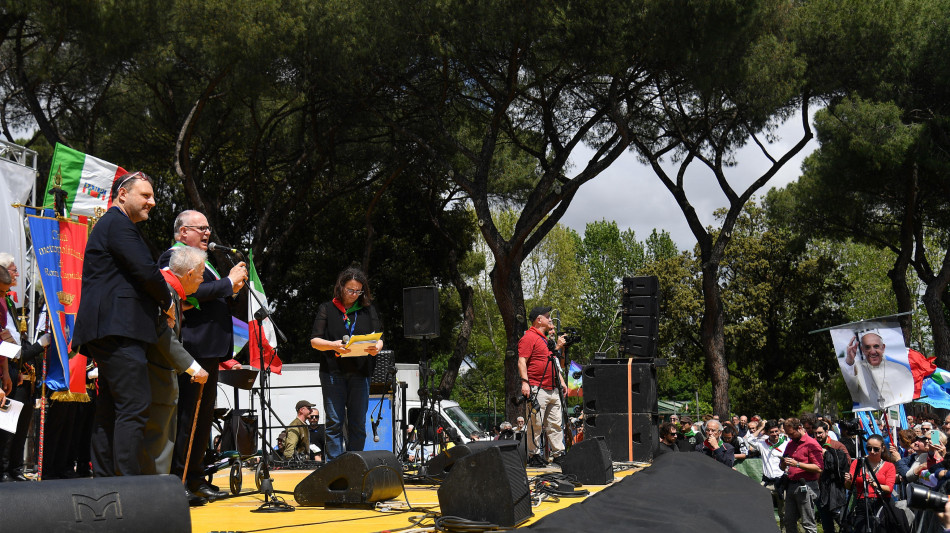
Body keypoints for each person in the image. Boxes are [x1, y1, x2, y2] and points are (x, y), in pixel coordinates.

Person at [72, 172, 175, 477]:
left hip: (111, 330)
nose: (152, 203)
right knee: (134, 406)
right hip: (119, 329)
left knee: (110, 410)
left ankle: (107, 483)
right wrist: (167, 301)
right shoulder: (119, 224)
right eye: (145, 196)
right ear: (122, 195)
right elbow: (145, 271)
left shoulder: (113, 226)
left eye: (152, 196)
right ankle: (128, 486)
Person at [159, 210, 246, 500]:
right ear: (182, 232)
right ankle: (179, 480)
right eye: (201, 228)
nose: (207, 233)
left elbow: (206, 294)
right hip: (190, 350)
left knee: (201, 418)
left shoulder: (204, 263)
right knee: (187, 418)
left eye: (209, 228)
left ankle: (195, 477)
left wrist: (232, 287)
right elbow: (184, 292)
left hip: (208, 351)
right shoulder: (171, 257)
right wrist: (226, 283)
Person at [141, 247, 209, 484]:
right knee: (158, 443)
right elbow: (163, 335)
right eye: (201, 275)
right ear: (189, 274)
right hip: (157, 378)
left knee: (162, 442)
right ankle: (155, 497)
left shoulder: (170, 290)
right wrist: (192, 367)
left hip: (161, 379)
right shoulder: (165, 290)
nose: (202, 280)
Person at [309, 267, 383, 461]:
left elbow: (380, 338)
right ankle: (334, 467)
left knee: (358, 423)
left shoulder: (368, 310)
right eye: (350, 289)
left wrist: (378, 347)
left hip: (360, 372)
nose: (354, 294)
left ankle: (354, 464)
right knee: (334, 422)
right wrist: (332, 345)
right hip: (333, 373)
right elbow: (315, 341)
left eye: (358, 291)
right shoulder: (327, 308)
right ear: (340, 287)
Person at [0, 259, 49, 482]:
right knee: (6, 431)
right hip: (7, 368)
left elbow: (7, 344)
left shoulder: (6, 303)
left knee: (16, 428)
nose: (6, 294)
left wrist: (11, 370)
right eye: (3, 289)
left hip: (11, 368)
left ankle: (13, 469)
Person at [518, 306, 567, 466]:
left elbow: (552, 361)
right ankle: (533, 455)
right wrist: (525, 383)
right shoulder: (529, 337)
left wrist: (561, 380)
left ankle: (559, 453)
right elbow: (522, 361)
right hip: (536, 387)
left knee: (555, 423)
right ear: (539, 319)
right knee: (535, 423)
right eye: (547, 317)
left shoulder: (545, 340)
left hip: (552, 387)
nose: (550, 319)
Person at [844, 329, 915, 409]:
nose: (873, 351)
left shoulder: (901, 370)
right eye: (867, 347)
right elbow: (853, 391)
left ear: (883, 348)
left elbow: (907, 393)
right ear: (862, 350)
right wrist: (850, 362)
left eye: (876, 346)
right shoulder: (856, 368)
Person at [843, 434, 897, 533]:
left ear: (882, 448)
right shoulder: (858, 463)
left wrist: (875, 484)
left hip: (881, 504)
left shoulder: (889, 466)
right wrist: (848, 480)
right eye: (869, 448)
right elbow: (848, 486)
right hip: (862, 503)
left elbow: (889, 488)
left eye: (876, 449)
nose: (872, 452)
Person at [780, 417, 824, 533]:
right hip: (791, 485)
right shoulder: (790, 443)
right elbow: (782, 465)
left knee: (807, 522)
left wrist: (797, 464)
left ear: (799, 428)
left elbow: (819, 468)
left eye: (791, 433)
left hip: (806, 486)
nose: (789, 436)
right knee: (788, 521)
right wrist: (783, 463)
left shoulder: (811, 444)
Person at [752, 420, 789, 527]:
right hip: (767, 483)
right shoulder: (762, 444)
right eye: (771, 432)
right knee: (762, 510)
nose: (774, 434)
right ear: (767, 433)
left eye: (776, 431)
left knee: (784, 512)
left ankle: (784, 530)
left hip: (782, 482)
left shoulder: (786, 443)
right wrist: (761, 427)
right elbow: (748, 439)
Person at [815, 422, 850, 533]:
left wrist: (829, 455)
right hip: (819, 489)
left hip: (835, 489)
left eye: (820, 433)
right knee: (827, 524)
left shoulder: (837, 445)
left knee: (843, 521)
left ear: (826, 431)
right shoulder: (813, 445)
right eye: (815, 433)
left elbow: (847, 463)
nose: (818, 435)